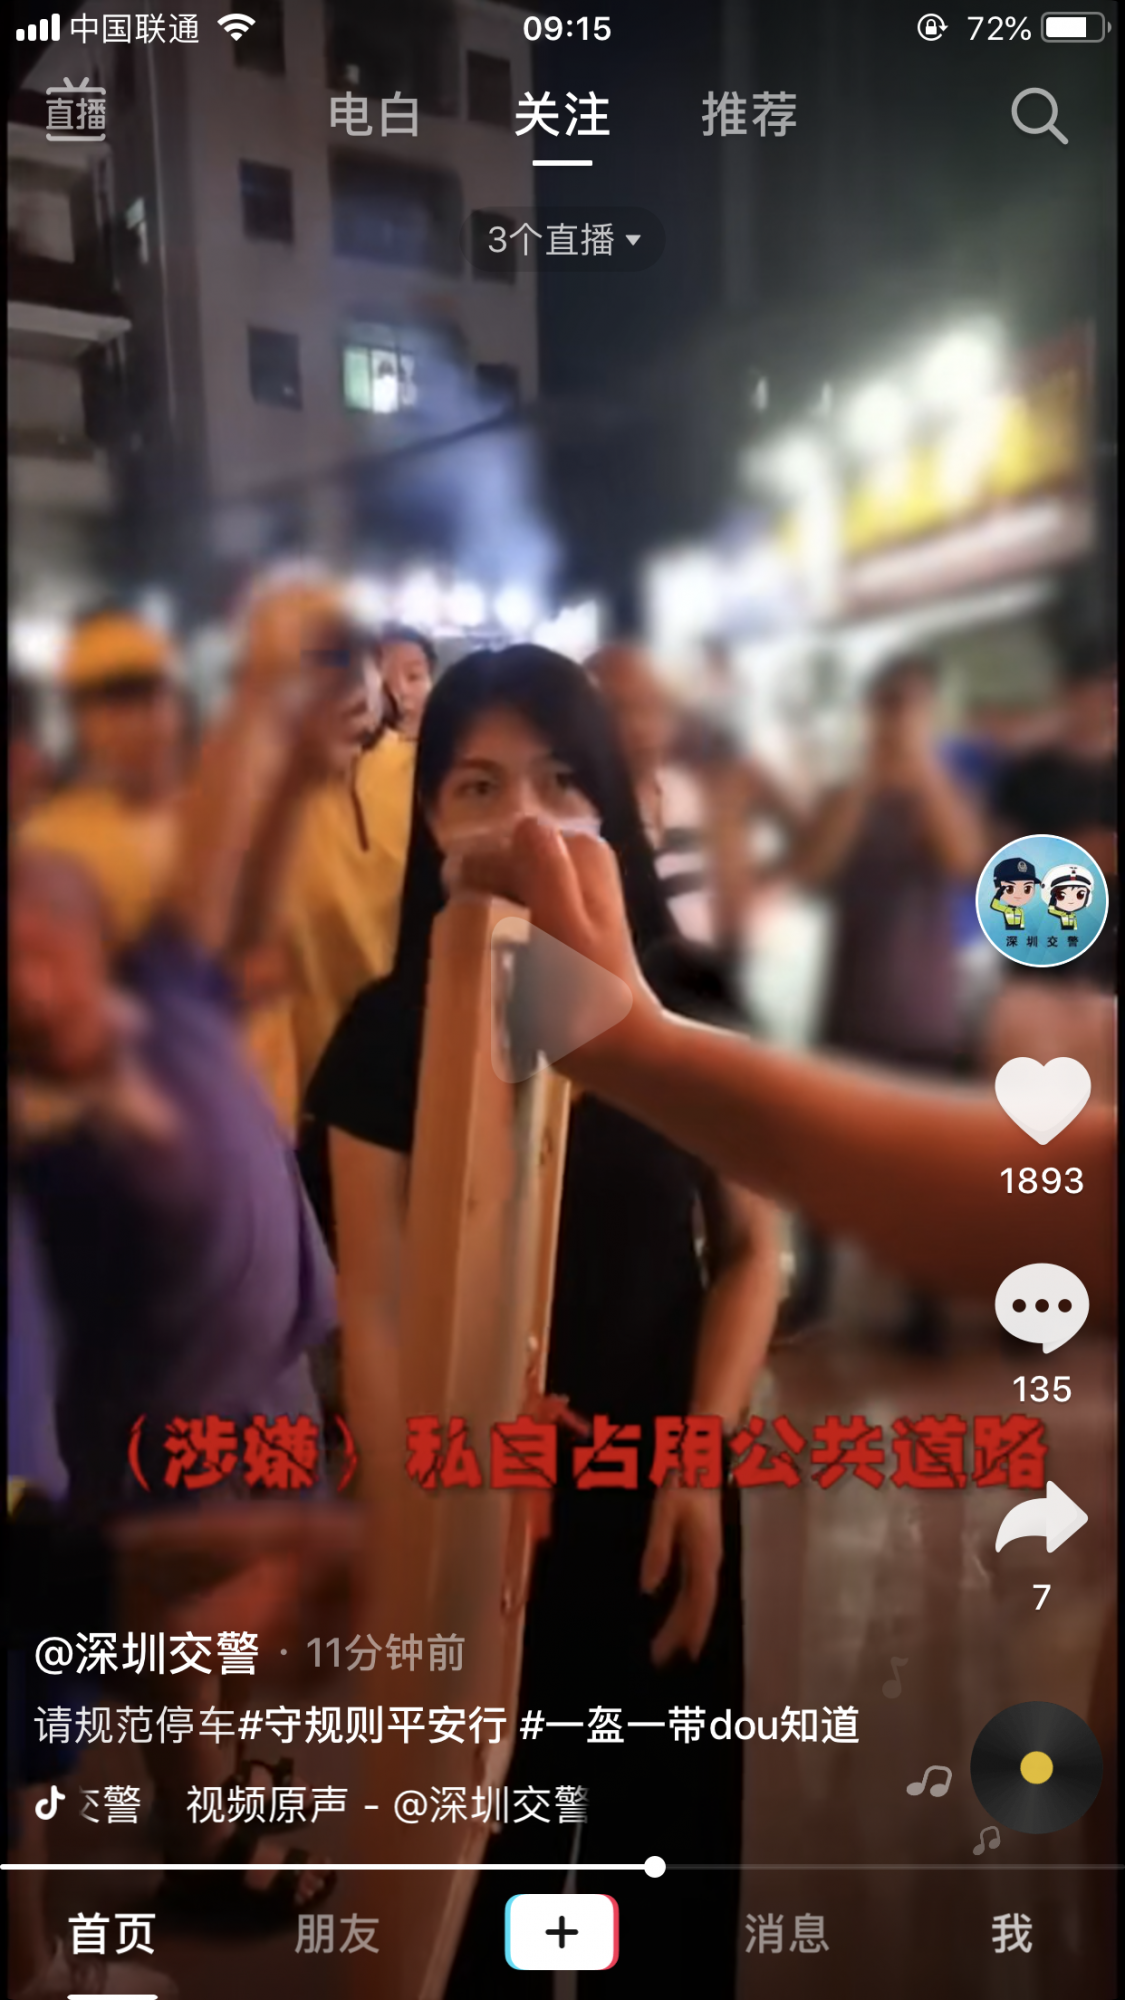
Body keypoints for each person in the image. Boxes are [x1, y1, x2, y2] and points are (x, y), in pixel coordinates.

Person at [309, 646, 782, 1996]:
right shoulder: (383, 1043)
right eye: (478, 784)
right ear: (428, 818)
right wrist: (431, 1521)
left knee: (658, 1858)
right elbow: (378, 1314)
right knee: (482, 1879)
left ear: (611, 803)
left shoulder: (681, 1004)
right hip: (478, 1521)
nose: (523, 817)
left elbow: (754, 1251)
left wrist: (698, 1461)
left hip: (661, 1496)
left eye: (561, 778)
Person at [9, 580, 357, 1936]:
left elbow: (230, 892)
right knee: (176, 1595)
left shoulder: (159, 975)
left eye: (147, 690)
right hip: (147, 1357)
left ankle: (229, 1795)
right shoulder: (67, 859)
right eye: (106, 697)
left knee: (240, 1588)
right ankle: (197, 1825)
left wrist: (280, 730)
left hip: (262, 1317)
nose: (132, 717)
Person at [788, 654, 985, 1345]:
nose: (897, 719)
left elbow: (963, 860)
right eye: (887, 705)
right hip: (851, 1006)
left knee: (926, 1167)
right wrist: (867, 783)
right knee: (821, 1160)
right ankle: (813, 1291)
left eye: (911, 706)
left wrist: (922, 771)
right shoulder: (845, 795)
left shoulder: (948, 794)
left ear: (930, 715)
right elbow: (811, 870)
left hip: (926, 1014)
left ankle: (925, 1306)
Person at [20, 611, 185, 945]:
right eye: (117, 703)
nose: (140, 722)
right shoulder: (49, 842)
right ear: (79, 720)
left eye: (152, 695)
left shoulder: (210, 807)